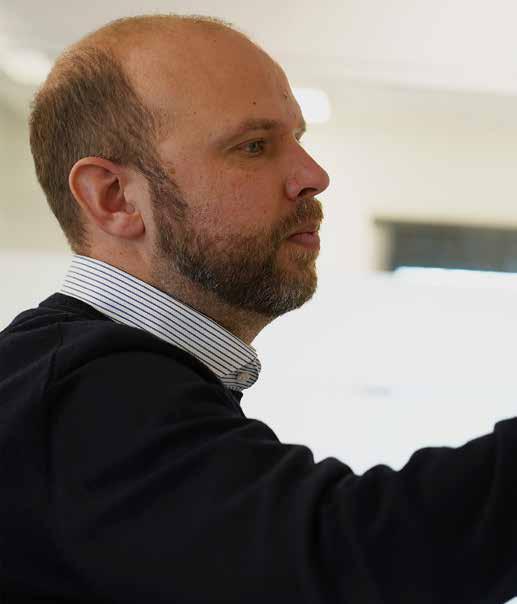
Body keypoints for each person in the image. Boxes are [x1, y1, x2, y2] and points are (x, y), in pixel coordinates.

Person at [0, 13, 516, 604]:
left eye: (298, 139)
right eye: (253, 146)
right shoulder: (84, 391)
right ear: (115, 198)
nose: (314, 176)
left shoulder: (76, 380)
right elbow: (350, 561)